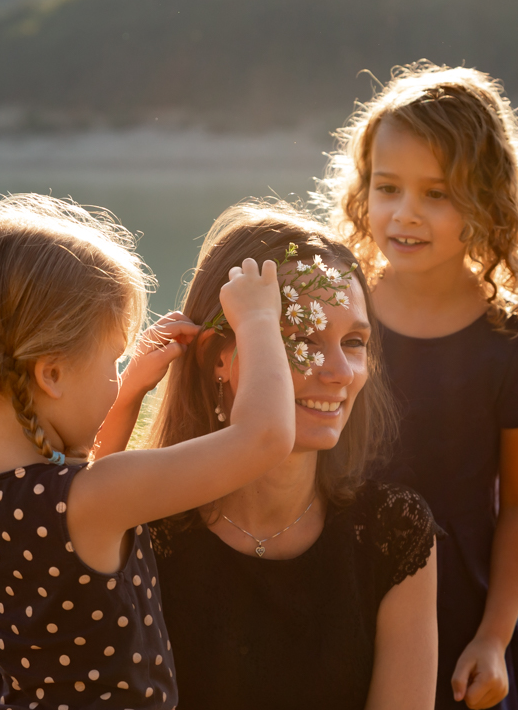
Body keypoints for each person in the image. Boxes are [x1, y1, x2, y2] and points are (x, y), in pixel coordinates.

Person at [0, 194, 295, 709]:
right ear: (51, 375)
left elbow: (81, 488)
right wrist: (260, 321)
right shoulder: (87, 499)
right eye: (113, 362)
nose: (116, 377)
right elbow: (264, 439)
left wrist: (130, 388)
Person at [96, 201, 441, 710]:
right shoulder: (145, 534)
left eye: (352, 341)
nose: (341, 373)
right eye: (301, 338)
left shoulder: (395, 533)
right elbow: (80, 505)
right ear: (221, 358)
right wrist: (125, 398)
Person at [321, 62, 518, 710]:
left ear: (485, 200)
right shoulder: (340, 313)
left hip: (461, 609)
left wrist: (492, 635)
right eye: (387, 187)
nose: (405, 213)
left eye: (438, 193)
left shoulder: (514, 341)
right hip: (341, 591)